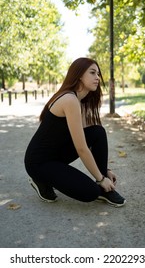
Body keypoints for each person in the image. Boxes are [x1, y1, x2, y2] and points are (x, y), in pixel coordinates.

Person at [24, 57, 126, 207]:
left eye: (98, 74)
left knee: (97, 132)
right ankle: (40, 178)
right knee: (90, 192)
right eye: (92, 73)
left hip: (56, 156)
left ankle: (105, 190)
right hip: (39, 162)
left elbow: (85, 137)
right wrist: (100, 179)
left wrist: (104, 171)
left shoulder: (79, 100)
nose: (97, 77)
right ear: (79, 75)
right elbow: (81, 148)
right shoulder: (69, 99)